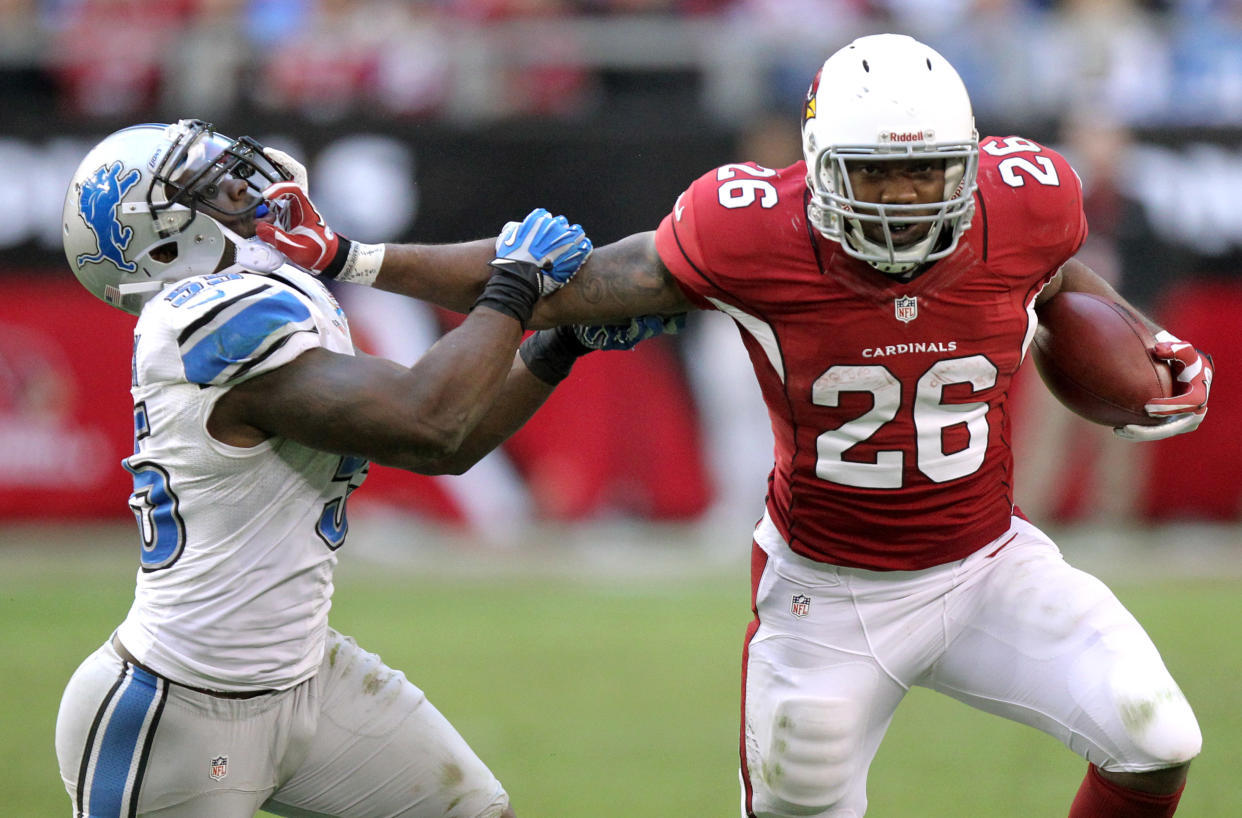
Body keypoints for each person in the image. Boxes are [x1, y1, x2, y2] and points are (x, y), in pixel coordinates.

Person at [268, 34, 1215, 818]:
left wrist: (1145, 335)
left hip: (987, 563)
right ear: (817, 170)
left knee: (1156, 737)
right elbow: (559, 286)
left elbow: (1051, 271)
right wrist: (357, 256)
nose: (905, 202)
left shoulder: (1028, 199)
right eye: (877, 178)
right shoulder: (749, 230)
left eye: (928, 173)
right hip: (828, 602)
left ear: (967, 166)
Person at [53, 119, 672, 818]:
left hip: (306, 676)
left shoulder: (261, 290)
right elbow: (427, 423)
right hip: (180, 707)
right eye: (206, 183)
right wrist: (514, 289)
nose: (238, 183)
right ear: (164, 237)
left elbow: (454, 440)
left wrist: (557, 345)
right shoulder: (203, 320)